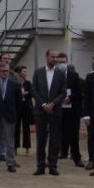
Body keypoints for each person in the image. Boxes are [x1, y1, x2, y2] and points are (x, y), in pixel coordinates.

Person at [31, 48, 66, 176]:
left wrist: (53, 103)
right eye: (52, 57)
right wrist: (44, 104)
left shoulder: (61, 74)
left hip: (55, 111)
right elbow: (34, 90)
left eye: (56, 57)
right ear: (46, 57)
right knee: (41, 139)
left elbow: (63, 92)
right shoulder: (38, 73)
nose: (54, 59)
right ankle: (40, 165)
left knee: (55, 139)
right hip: (41, 111)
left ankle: (53, 165)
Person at [0, 60, 23, 172]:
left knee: (9, 142)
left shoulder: (15, 85)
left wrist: (15, 114)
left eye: (7, 71)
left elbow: (18, 101)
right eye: (2, 71)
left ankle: (10, 163)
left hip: (10, 116)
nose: (5, 73)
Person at [14, 65, 33, 154]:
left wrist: (24, 94)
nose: (25, 73)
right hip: (17, 107)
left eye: (26, 71)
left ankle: (27, 147)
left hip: (26, 107)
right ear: (19, 73)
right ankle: (15, 147)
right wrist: (20, 94)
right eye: (24, 71)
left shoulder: (28, 83)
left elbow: (32, 93)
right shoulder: (14, 82)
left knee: (26, 127)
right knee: (16, 127)